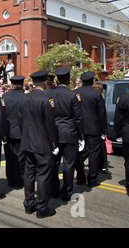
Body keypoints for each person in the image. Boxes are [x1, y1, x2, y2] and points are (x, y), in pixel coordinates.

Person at [18, 70, 58, 218]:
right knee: (43, 175)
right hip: (42, 143)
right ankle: (42, 207)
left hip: (28, 142)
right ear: (44, 82)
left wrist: (25, 137)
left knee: (29, 174)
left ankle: (29, 204)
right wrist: (54, 144)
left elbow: (20, 122)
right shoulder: (46, 99)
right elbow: (50, 125)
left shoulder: (24, 99)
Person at [47, 67, 84, 201]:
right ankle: (67, 192)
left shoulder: (49, 94)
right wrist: (81, 136)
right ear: (69, 80)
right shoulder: (72, 95)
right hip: (69, 133)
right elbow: (78, 118)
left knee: (54, 164)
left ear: (56, 80)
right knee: (69, 165)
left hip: (54, 133)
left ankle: (54, 189)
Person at [75, 71, 107, 188]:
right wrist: (104, 130)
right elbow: (102, 113)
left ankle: (80, 176)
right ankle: (92, 179)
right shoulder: (97, 94)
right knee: (94, 154)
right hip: (93, 128)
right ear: (93, 80)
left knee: (79, 152)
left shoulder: (75, 93)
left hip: (79, 128)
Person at [2, 75, 26, 189]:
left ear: (11, 85)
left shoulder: (5, 96)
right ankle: (18, 179)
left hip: (8, 131)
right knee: (20, 158)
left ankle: (10, 178)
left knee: (9, 157)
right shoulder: (24, 97)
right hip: (21, 132)